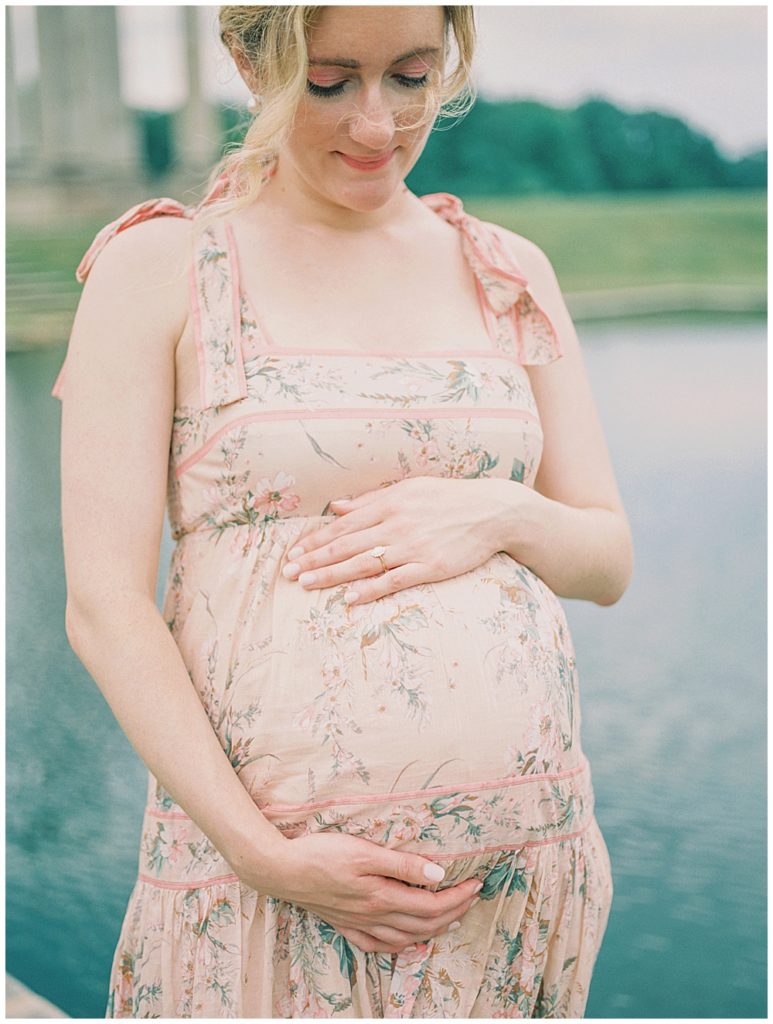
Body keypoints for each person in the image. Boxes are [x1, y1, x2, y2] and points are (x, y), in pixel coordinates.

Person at [52, 4, 632, 1018]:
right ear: (248, 58)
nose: (376, 125)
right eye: (329, 82)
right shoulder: (164, 269)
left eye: (410, 78)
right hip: (264, 894)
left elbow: (605, 559)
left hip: (509, 895)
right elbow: (104, 605)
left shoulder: (505, 271)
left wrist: (495, 511)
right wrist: (265, 854)